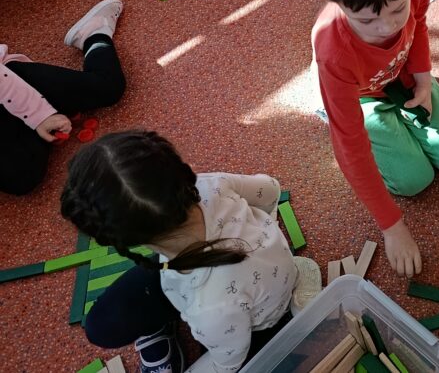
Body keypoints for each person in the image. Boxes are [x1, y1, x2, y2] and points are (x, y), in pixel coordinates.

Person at [60, 131, 322, 373]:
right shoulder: (211, 185)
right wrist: (257, 232)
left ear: (128, 240)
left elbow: (228, 363)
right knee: (102, 325)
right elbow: (270, 189)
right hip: (234, 289)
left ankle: (292, 306)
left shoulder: (209, 308)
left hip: (245, 317)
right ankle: (294, 282)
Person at [308, 0, 439, 276]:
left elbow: (419, 24)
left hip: (401, 75)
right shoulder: (333, 51)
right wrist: (392, 227)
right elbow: (350, 148)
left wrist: (423, 79)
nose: (387, 27)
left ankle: (405, 100)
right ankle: (326, 104)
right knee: (414, 181)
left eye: (397, 10)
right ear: (336, 2)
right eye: (366, 20)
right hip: (362, 96)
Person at [0, 0, 125, 196]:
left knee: (108, 87)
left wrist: (39, 115)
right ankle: (52, 111)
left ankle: (93, 33)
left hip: (9, 80)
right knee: (23, 179)